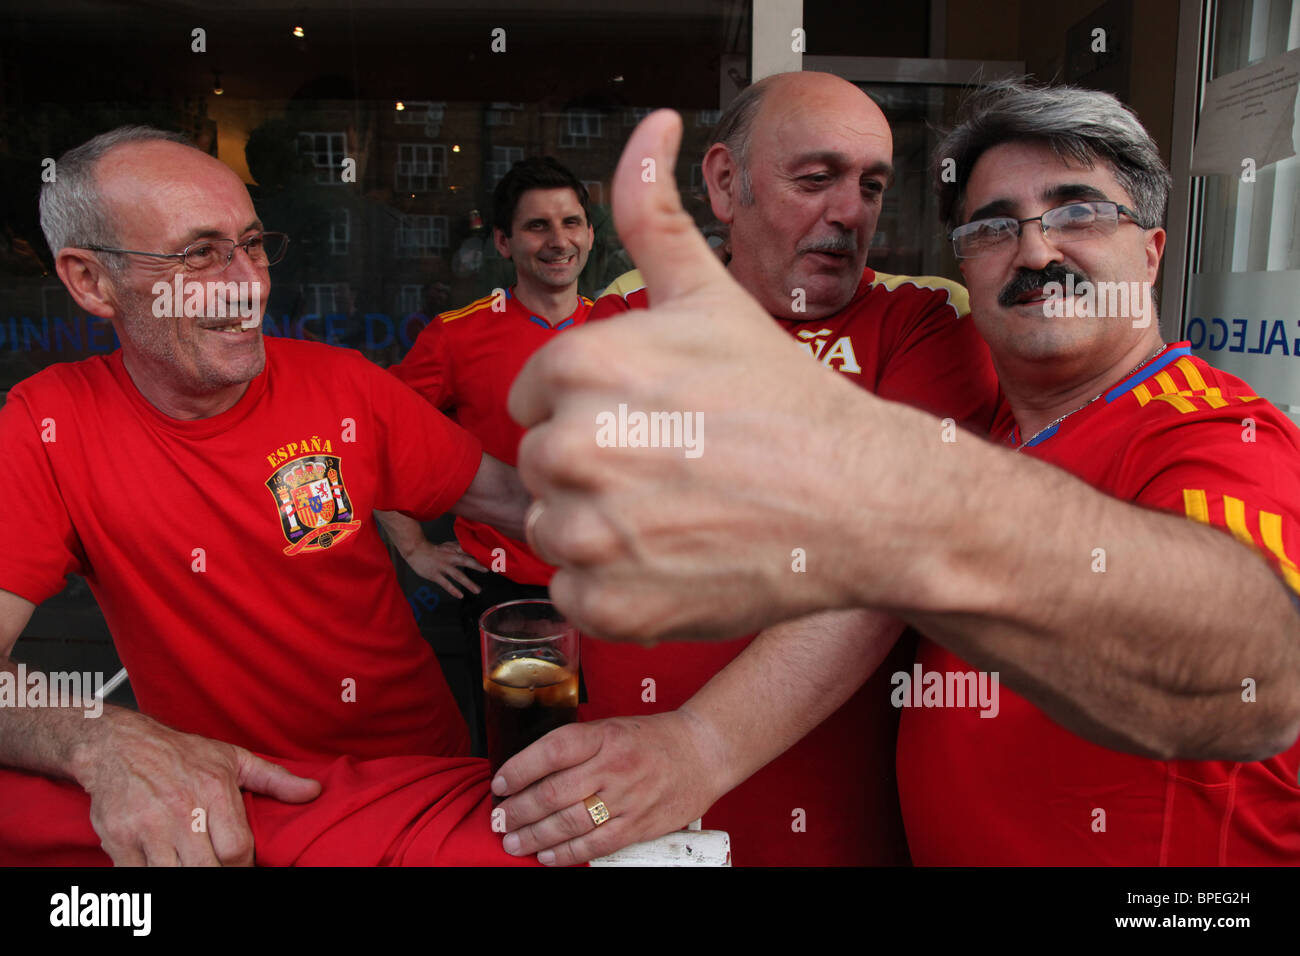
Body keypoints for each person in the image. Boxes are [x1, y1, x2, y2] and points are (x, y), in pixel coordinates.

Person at [508, 91, 1300, 865]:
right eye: (993, 227)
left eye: (1078, 213)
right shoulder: (996, 434)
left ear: (1152, 253)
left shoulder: (1215, 435)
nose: (1035, 251)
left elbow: (1259, 666)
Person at [491, 71, 1000, 867]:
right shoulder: (628, 317)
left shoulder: (920, 329)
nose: (850, 212)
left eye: (871, 185)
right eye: (816, 178)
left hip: (829, 829)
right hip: (622, 810)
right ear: (727, 184)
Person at [0, 126, 534, 865]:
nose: (249, 283)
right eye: (200, 253)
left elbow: (517, 506)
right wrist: (100, 741)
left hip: (416, 793)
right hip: (228, 817)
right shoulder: (47, 424)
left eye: (252, 244)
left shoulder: (343, 384)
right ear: (91, 281)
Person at [379, 157, 595, 630]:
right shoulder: (457, 337)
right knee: (524, 709)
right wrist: (414, 547)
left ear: (590, 233)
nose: (559, 241)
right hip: (505, 590)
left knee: (617, 709)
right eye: (537, 226)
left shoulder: (626, 330)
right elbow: (373, 434)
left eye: (571, 222)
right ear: (503, 241)